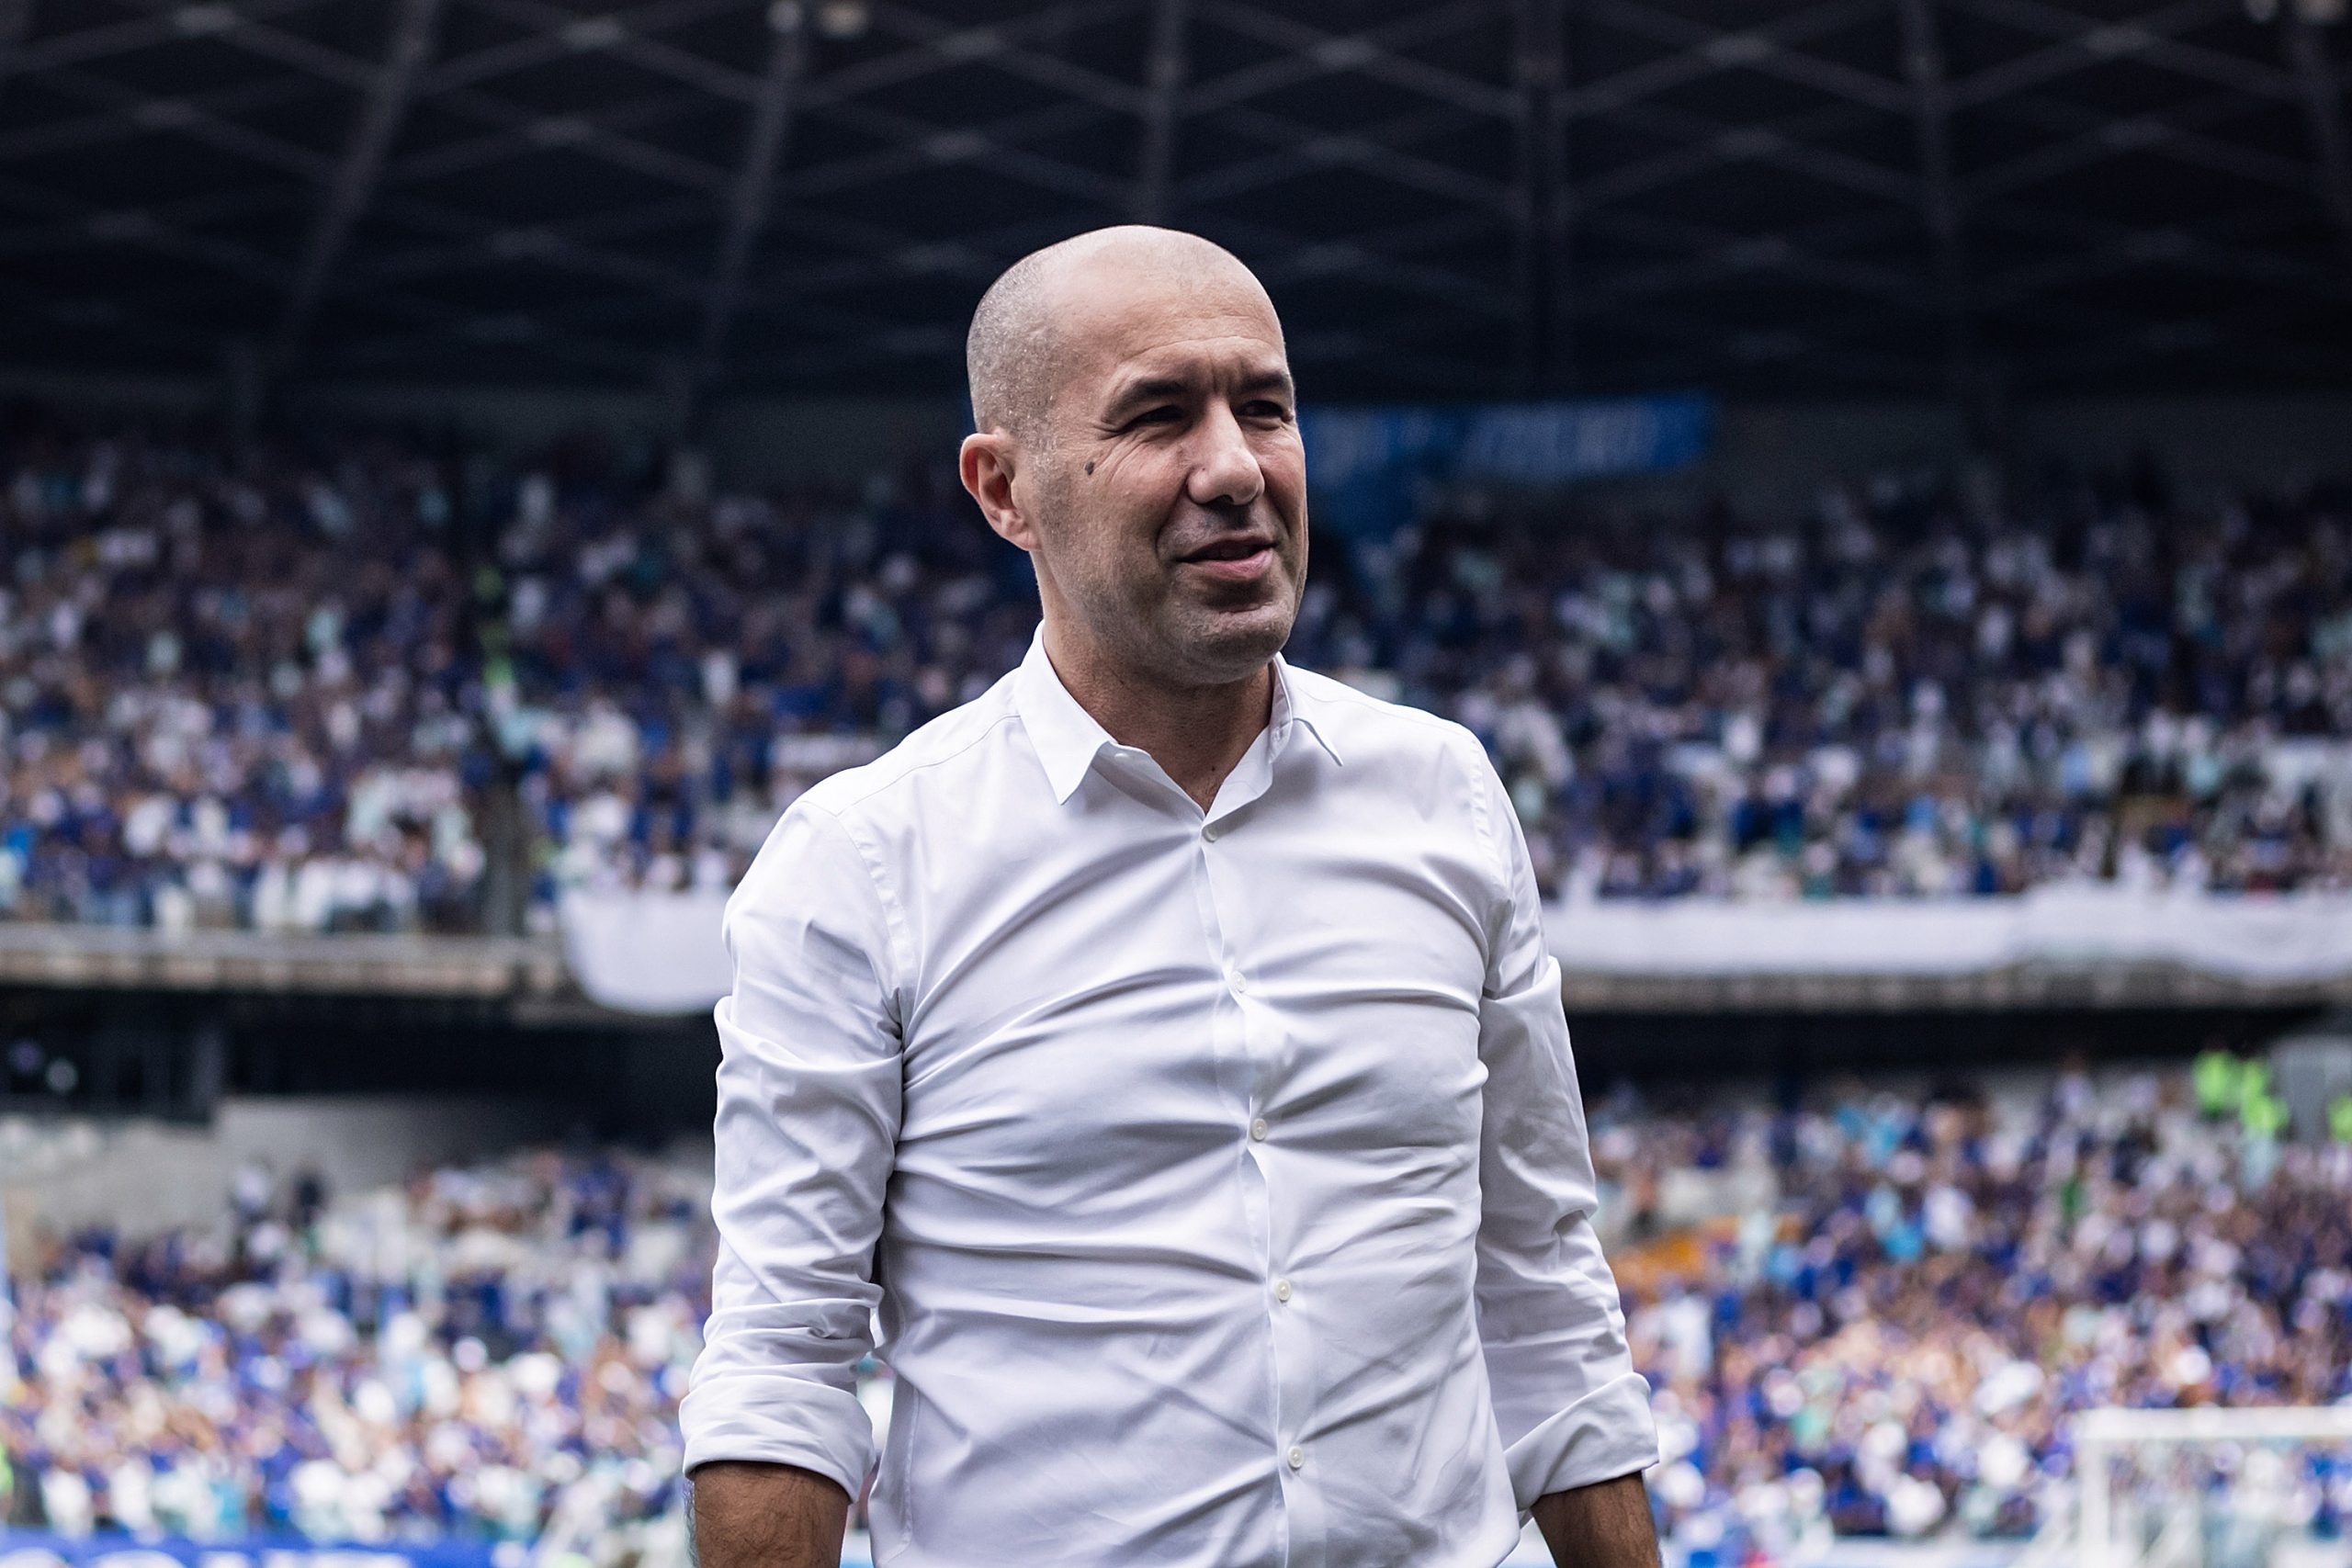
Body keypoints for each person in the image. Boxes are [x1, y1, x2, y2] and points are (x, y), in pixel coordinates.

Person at [681, 226, 1660, 1568]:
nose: (1236, 468)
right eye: (1157, 416)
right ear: (1003, 490)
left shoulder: (1447, 796)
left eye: (1266, 406)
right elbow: (784, 1363)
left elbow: (1542, 1290)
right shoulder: (861, 863)